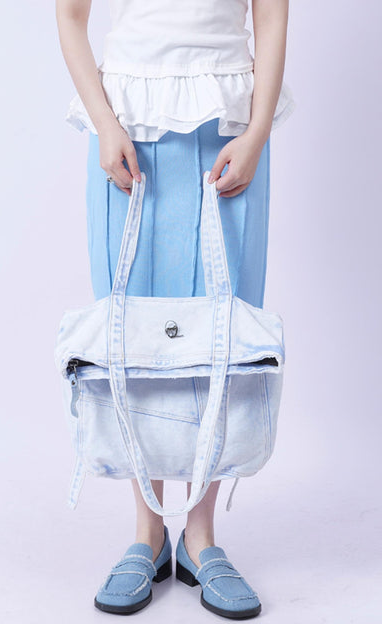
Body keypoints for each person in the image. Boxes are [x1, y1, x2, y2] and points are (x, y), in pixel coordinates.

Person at [56, 0, 295, 618]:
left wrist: (257, 132)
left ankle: (200, 536)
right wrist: (104, 123)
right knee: (132, 331)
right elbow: (70, 14)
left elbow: (271, 16)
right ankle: (148, 533)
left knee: (224, 329)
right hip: (126, 121)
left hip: (230, 121)